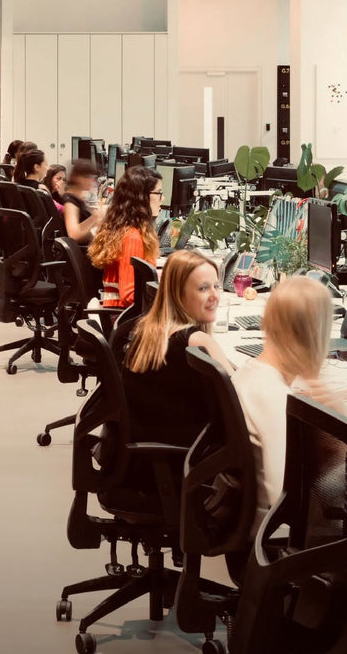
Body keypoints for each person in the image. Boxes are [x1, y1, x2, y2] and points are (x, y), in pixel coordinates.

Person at [231, 276, 347, 534]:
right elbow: (285, 497)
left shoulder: (252, 374)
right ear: (313, 335)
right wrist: (344, 444)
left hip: (254, 527)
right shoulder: (275, 398)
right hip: (274, 541)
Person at [120, 250, 234, 460]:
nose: (214, 296)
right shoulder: (197, 342)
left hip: (145, 459)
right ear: (179, 295)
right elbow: (239, 398)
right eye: (203, 288)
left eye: (216, 286)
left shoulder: (148, 329)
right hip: (183, 460)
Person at [88, 166, 161, 307]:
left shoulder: (123, 229)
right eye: (158, 193)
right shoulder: (132, 237)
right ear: (142, 197)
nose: (162, 198)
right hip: (123, 318)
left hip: (122, 313)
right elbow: (129, 296)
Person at [61, 158, 105, 244]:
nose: (92, 181)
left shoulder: (76, 196)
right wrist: (95, 217)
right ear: (78, 178)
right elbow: (74, 235)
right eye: (89, 177)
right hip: (83, 251)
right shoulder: (70, 203)